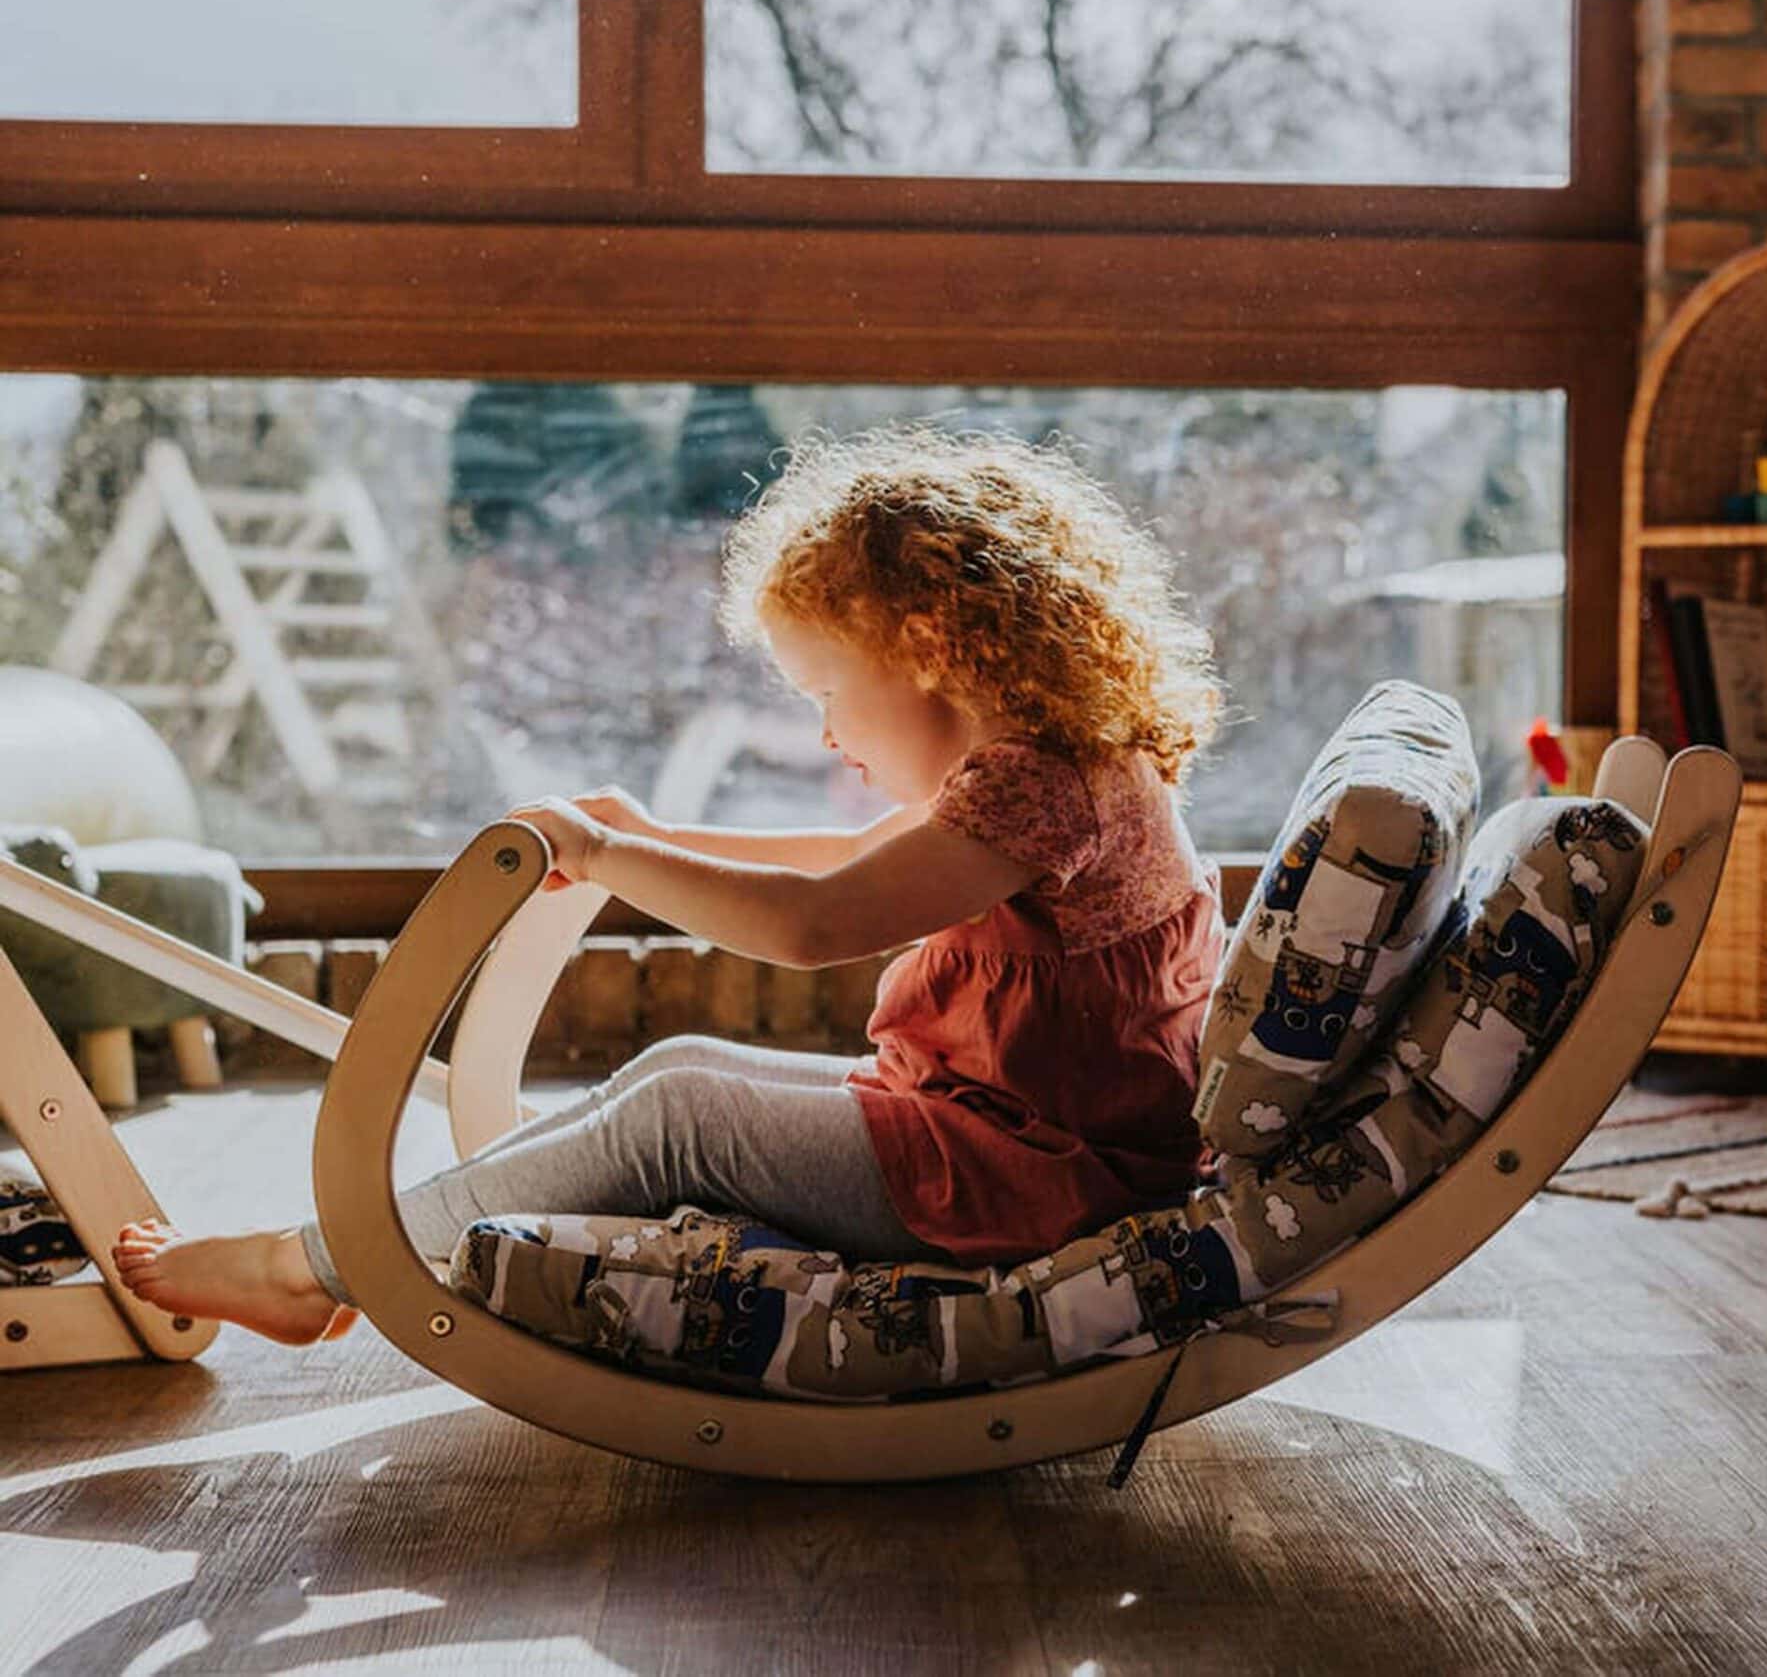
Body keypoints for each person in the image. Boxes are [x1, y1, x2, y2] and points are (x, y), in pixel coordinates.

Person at [114, 423, 1232, 1346]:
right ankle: (357, 1250)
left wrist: (607, 857)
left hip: (1037, 1183)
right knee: (679, 1067)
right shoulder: (1054, 764)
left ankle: (315, 1265)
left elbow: (815, 922)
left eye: (827, 689)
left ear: (930, 645)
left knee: (676, 1118)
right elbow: (844, 860)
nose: (830, 732)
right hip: (1013, 1144)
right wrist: (655, 833)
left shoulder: (1039, 786)